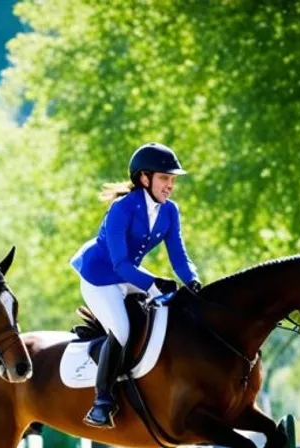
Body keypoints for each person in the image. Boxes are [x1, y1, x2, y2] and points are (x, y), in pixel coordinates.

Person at [70, 142, 202, 429]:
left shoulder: (170, 211)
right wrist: (152, 284)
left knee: (169, 309)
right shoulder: (122, 208)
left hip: (129, 274)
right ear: (145, 178)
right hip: (100, 276)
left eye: (172, 180)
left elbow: (178, 254)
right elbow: (119, 264)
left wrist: (192, 280)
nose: (170, 185)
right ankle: (102, 402)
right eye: (165, 178)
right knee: (122, 329)